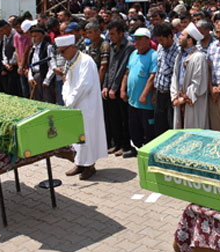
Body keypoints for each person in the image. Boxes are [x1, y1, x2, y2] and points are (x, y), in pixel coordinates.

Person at [57, 34, 108, 180]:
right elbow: (66, 81)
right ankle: (79, 163)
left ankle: (89, 166)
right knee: (76, 136)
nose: (61, 55)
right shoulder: (70, 62)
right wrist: (66, 98)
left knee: (87, 135)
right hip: (74, 105)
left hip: (86, 106)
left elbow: (83, 86)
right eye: (59, 51)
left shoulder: (86, 61)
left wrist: (70, 101)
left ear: (72, 48)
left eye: (63, 51)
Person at [120, 27, 157, 157]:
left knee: (148, 128)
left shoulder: (153, 55)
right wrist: (122, 90)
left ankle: (147, 153)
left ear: (148, 40)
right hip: (132, 100)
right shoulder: (133, 54)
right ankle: (135, 148)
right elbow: (127, 73)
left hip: (145, 103)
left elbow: (152, 77)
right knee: (134, 127)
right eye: (136, 39)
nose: (137, 42)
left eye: (140, 39)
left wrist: (144, 95)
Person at [102, 20, 135, 156]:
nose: (111, 37)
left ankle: (125, 145)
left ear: (121, 34)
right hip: (109, 89)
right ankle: (116, 144)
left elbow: (122, 69)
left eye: (114, 34)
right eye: (109, 34)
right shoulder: (111, 46)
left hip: (120, 89)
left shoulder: (128, 47)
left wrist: (114, 88)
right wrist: (105, 86)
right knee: (113, 118)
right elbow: (109, 68)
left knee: (123, 119)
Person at [171, 23, 209, 129]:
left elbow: (198, 82)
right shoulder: (180, 55)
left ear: (189, 40)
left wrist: (184, 99)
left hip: (192, 102)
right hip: (179, 99)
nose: (179, 37)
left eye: (182, 35)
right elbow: (175, 77)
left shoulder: (199, 57)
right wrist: (174, 96)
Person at [152, 22, 180, 137]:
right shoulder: (160, 48)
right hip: (160, 93)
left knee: (171, 126)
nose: (160, 43)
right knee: (159, 126)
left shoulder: (178, 51)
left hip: (171, 95)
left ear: (170, 36)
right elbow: (158, 70)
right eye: (158, 40)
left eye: (162, 40)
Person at [27, 27, 56, 103]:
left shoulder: (48, 47)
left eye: (36, 36)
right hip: (35, 77)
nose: (33, 39)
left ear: (42, 37)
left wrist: (47, 80)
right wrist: (30, 77)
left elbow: (51, 65)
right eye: (32, 36)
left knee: (47, 99)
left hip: (44, 76)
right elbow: (31, 64)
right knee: (37, 100)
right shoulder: (33, 49)